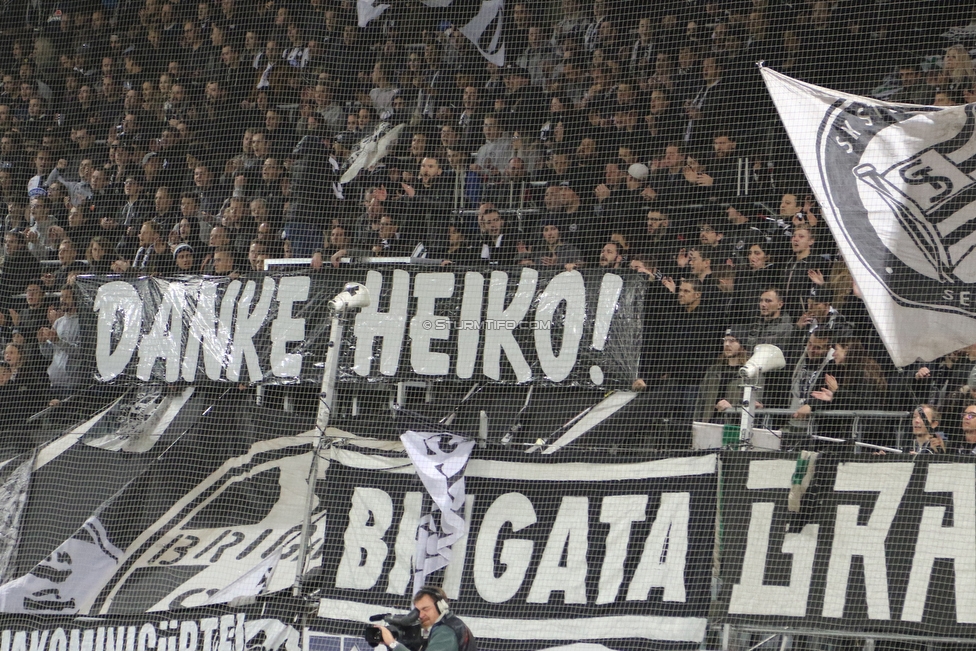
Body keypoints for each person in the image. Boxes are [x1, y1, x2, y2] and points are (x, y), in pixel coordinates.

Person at [375, 586, 476, 651]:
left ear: (441, 606)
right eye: (418, 611)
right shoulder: (447, 626)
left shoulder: (446, 631)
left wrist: (393, 643)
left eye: (426, 609)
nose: (421, 615)